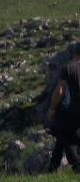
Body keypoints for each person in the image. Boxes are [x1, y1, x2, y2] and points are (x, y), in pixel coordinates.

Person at [49, 42, 80, 172]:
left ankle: (77, 167)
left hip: (74, 110)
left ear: (73, 53)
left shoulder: (69, 68)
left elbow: (59, 91)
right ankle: (52, 167)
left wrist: (52, 109)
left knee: (67, 134)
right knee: (64, 133)